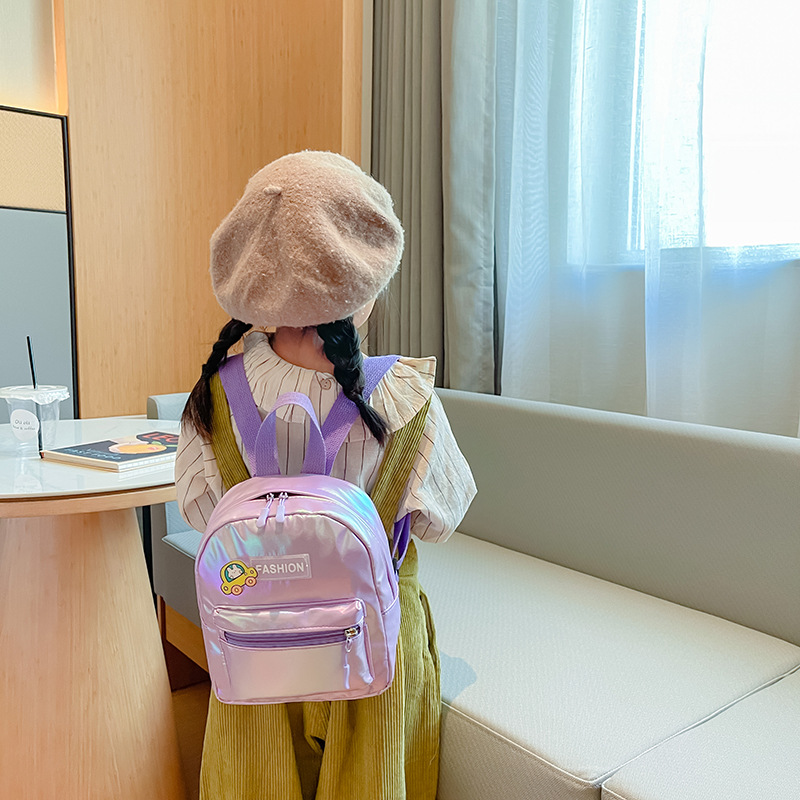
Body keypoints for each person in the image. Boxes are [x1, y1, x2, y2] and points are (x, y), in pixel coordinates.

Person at [175, 151, 476, 800]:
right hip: (372, 650)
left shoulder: (214, 395)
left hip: (257, 649)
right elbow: (440, 517)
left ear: (251, 281)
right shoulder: (405, 396)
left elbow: (201, 511)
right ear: (365, 279)